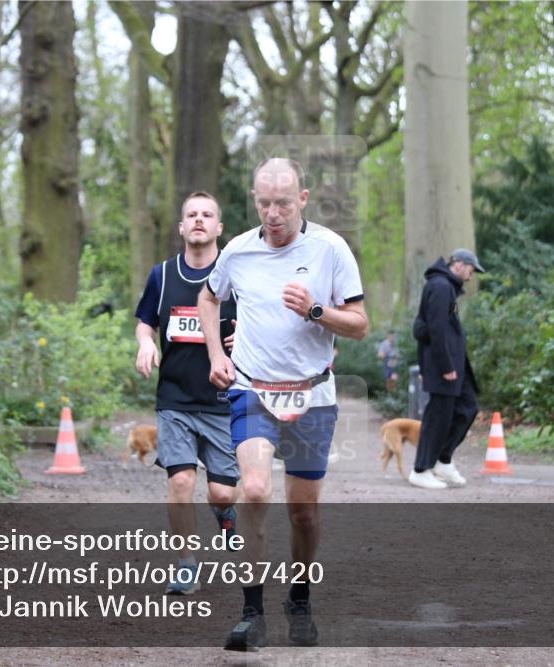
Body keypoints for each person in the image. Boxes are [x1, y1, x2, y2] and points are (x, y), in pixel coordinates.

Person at [198, 158, 368, 651]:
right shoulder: (237, 251)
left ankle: (300, 596)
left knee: (304, 513)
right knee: (252, 490)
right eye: (264, 202)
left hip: (312, 393)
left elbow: (359, 323)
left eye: (284, 203)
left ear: (304, 200)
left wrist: (316, 310)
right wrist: (215, 354)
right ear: (255, 199)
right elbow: (209, 299)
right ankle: (252, 612)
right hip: (252, 388)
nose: (273, 213)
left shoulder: (330, 249)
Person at [134, 190, 239, 594]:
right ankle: (186, 565)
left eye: (207, 214)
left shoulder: (235, 276)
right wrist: (146, 342)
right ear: (181, 227)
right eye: (191, 214)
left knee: (220, 490)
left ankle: (226, 512)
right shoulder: (162, 275)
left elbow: (258, 323)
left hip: (222, 402)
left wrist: (242, 339)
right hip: (175, 399)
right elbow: (146, 322)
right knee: (180, 482)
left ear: (218, 227)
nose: (198, 220)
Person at [409, 248, 484, 490]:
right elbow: (435, 329)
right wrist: (445, 366)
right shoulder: (441, 287)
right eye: (471, 271)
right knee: (437, 416)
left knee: (468, 406)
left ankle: (443, 459)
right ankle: (421, 469)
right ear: (459, 265)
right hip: (445, 365)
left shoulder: (445, 287)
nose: (470, 277)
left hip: (455, 364)